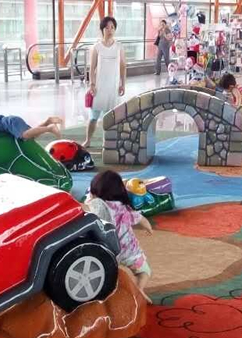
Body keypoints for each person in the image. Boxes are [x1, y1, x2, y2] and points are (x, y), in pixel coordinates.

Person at [83, 170, 153, 301]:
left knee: (104, 272)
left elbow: (87, 207)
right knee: (144, 272)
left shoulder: (95, 205)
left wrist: (91, 196)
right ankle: (140, 288)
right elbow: (141, 219)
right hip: (129, 251)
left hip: (108, 250)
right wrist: (148, 227)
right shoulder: (124, 208)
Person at [83, 17, 126, 148]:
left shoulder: (119, 47)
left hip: (113, 87)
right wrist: (92, 84)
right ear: (102, 29)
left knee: (111, 118)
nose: (110, 30)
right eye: (107, 27)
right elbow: (92, 68)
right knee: (93, 117)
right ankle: (88, 140)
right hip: (99, 87)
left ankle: (107, 142)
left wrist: (123, 84)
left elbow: (123, 66)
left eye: (112, 27)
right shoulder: (97, 47)